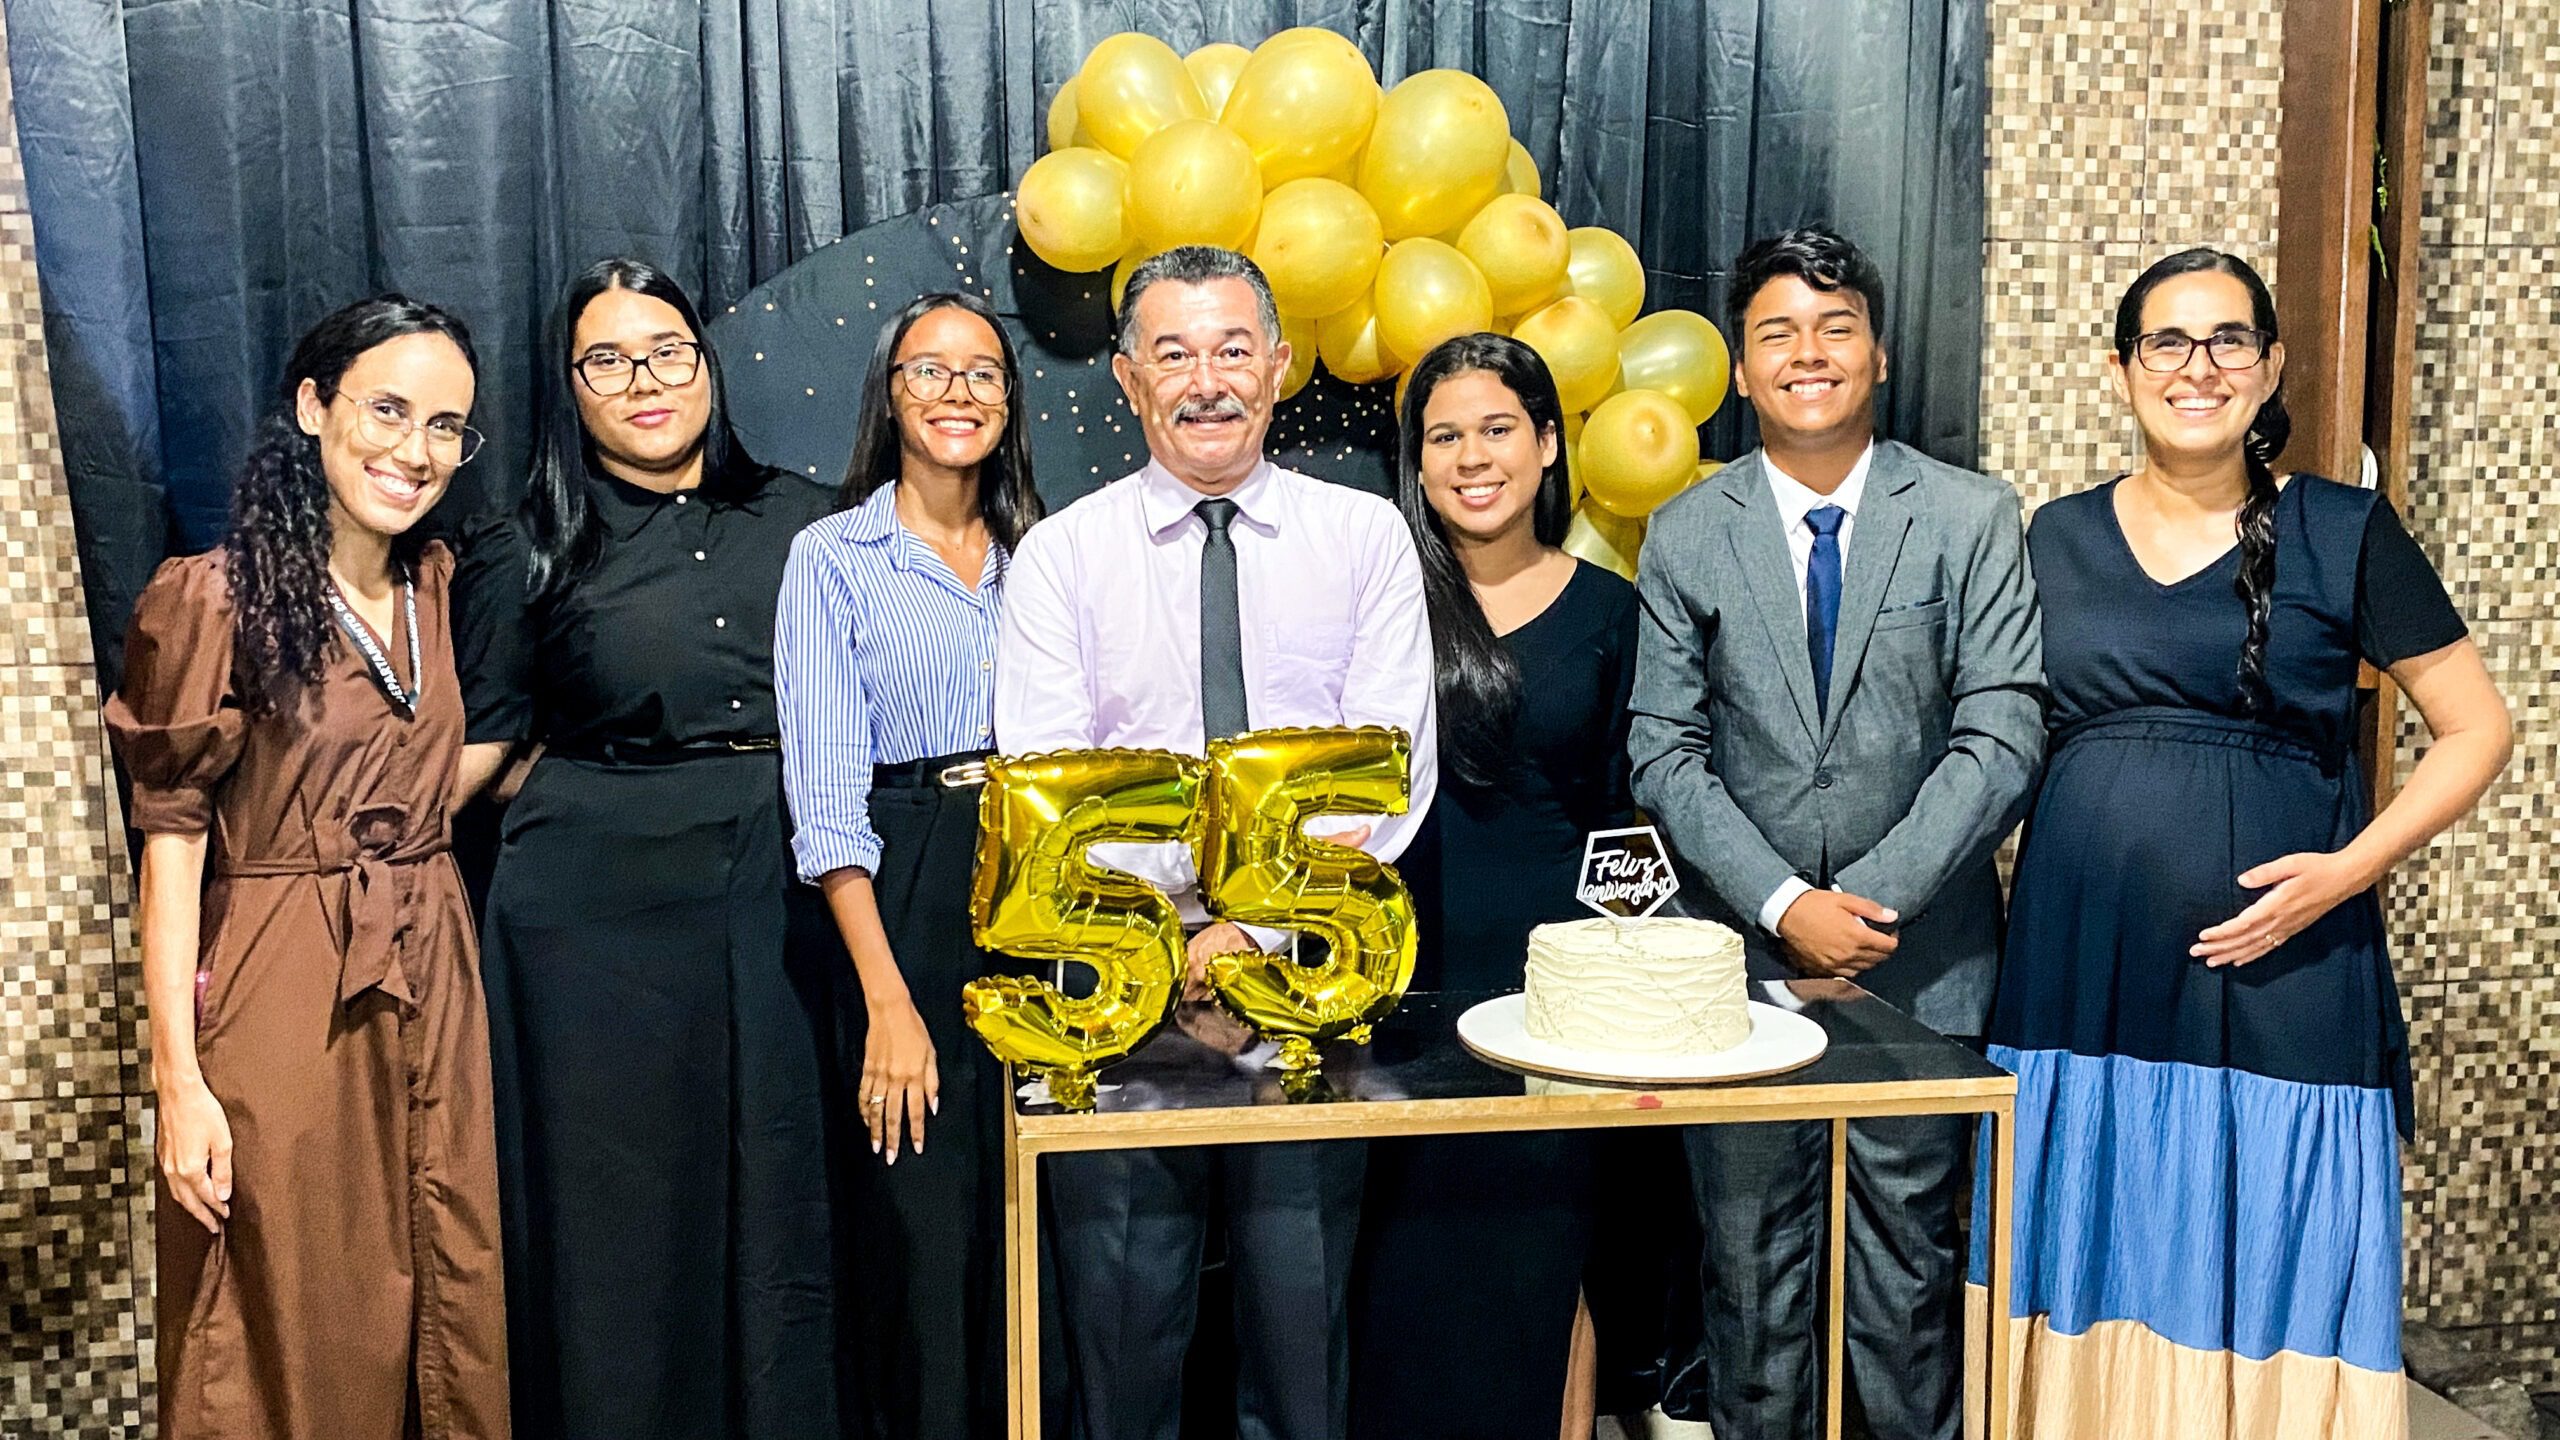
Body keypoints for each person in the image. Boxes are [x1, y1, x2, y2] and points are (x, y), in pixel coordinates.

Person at [1974, 248, 2510, 1437]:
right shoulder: (2051, 538)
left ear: (2269, 367)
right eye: (2166, 341)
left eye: (2228, 340)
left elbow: (2478, 727)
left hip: (2285, 967)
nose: (2197, 367)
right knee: (2096, 1221)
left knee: (2270, 1220)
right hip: (2083, 967)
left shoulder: (2343, 530)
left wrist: (2347, 872)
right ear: (2120, 369)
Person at [993, 244, 1437, 1440]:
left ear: (1279, 366)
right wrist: (1174, 942)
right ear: (1127, 378)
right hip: (1120, 989)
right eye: (1175, 354)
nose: (1208, 381)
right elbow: (1054, 786)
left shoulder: (1365, 539)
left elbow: (1385, 768)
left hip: (1308, 974)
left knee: (1300, 1334)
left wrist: (1250, 931)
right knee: (1122, 1331)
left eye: (1234, 349)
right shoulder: (1062, 557)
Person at [1627, 226, 2045, 1440]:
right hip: (1739, 970)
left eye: (1833, 327)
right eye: (1776, 333)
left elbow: (2002, 729)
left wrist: (1866, 902)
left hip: (1921, 962)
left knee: (1904, 1279)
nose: (1806, 353)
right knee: (1749, 1274)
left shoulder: (1969, 515)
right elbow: (1663, 751)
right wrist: (1783, 905)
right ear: (1740, 370)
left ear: (1879, 354)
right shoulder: (1685, 531)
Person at [452, 257, 840, 1440]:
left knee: (789, 1183)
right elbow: (485, 745)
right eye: (608, 361)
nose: (646, 381)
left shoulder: (816, 520)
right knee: (621, 1214)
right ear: (569, 387)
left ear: (705, 365)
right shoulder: (521, 545)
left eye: (669, 351)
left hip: (791, 889)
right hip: (594, 922)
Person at [108, 295, 508, 1437]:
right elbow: (172, 844)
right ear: (312, 407)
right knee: (287, 1309)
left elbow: (414, 772)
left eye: (445, 426)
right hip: (284, 985)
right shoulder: (214, 596)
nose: (415, 449)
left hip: (432, 972)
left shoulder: (437, 588)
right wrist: (179, 1083)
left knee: (444, 1286)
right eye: (388, 410)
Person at [1347, 332, 1637, 1439]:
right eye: (1443, 436)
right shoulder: (1376, 604)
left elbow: (1627, 815)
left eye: (1498, 428)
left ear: (1549, 442)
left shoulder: (1611, 612)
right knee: (1402, 1279)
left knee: (1538, 1265)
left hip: (1555, 996)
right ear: (1415, 463)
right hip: (1392, 987)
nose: (1472, 457)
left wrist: (1617, 980)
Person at [774, 290, 1044, 1440]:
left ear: (1010, 401)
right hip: (910, 881)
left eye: (982, 372)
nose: (956, 393)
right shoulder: (832, 557)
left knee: (1038, 1211)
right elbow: (827, 800)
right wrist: (887, 1001)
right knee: (925, 1227)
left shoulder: (1046, 553)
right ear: (890, 395)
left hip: (1046, 878)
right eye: (929, 370)